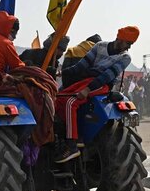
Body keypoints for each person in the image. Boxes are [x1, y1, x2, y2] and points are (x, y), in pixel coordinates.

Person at [56, 26, 139, 162]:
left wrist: (87, 89)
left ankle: (72, 145)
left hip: (101, 84)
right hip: (86, 80)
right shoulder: (100, 46)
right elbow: (81, 67)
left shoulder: (125, 57)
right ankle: (75, 135)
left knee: (71, 102)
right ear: (120, 38)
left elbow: (107, 75)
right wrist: (60, 72)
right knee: (59, 99)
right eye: (128, 43)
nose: (129, 47)